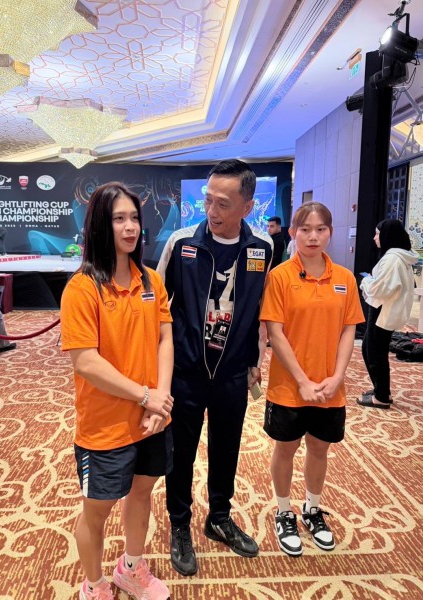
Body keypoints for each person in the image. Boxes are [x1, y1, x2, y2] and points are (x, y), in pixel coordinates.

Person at [156, 159, 273, 576]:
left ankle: (219, 517)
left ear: (247, 206)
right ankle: (180, 524)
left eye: (223, 203)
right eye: (208, 200)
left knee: (227, 448)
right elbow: (157, 309)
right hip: (186, 372)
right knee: (180, 454)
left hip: (232, 374)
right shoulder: (182, 243)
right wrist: (157, 372)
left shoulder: (262, 249)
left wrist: (256, 360)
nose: (212, 210)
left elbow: (260, 310)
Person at [60, 182, 174, 600]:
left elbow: (165, 339)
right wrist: (146, 396)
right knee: (97, 511)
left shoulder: (151, 280)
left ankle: (130, 568)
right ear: (98, 226)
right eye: (119, 219)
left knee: (142, 493)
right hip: (105, 426)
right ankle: (94, 585)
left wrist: (160, 402)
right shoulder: (82, 288)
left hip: (151, 419)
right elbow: (86, 362)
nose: (130, 227)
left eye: (134, 218)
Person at [260, 201, 364, 557]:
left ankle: (312, 508)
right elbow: (275, 333)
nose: (313, 236)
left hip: (330, 387)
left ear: (330, 232)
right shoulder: (280, 277)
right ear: (293, 233)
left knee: (320, 448)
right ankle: (284, 510)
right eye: (305, 229)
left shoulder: (345, 279)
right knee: (285, 449)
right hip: (289, 386)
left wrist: (337, 377)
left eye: (320, 229)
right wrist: (303, 381)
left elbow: (349, 330)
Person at [357, 219, 418, 409]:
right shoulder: (400, 256)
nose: (375, 238)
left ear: (387, 236)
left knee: (374, 351)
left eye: (378, 234)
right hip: (386, 309)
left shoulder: (392, 258)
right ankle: (381, 390)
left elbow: (380, 289)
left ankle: (381, 396)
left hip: (382, 309)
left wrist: (366, 281)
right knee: (373, 349)